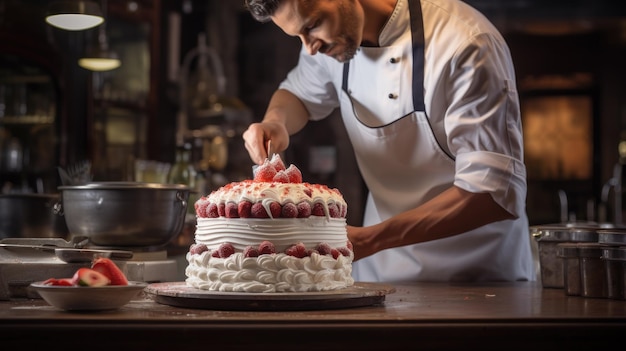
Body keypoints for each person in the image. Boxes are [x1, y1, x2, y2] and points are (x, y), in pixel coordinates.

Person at [242, 0, 535, 282]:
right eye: (298, 36)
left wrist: (371, 239)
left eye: (313, 25)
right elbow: (298, 95)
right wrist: (275, 121)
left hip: (480, 280)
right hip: (380, 278)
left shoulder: (465, 43)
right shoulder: (326, 45)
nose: (310, 47)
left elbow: (492, 194)